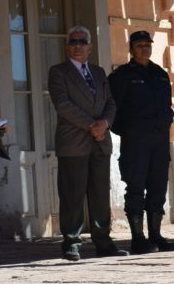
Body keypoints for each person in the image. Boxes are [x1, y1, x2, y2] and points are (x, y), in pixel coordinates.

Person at [47, 26, 127, 262]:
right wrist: (92, 126)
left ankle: (103, 242)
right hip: (74, 142)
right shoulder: (58, 72)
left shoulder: (99, 72)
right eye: (73, 42)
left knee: (100, 194)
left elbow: (111, 102)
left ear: (90, 47)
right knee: (72, 195)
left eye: (82, 42)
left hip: (100, 142)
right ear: (67, 46)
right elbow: (62, 105)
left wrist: (105, 124)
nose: (77, 45)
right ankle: (72, 242)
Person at [109, 31, 174, 254]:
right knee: (136, 188)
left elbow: (167, 105)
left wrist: (167, 121)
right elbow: (112, 109)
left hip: (158, 141)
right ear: (131, 49)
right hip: (135, 142)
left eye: (147, 45)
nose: (144, 49)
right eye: (139, 45)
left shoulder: (159, 73)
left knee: (158, 188)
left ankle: (155, 235)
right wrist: (129, 130)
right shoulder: (122, 75)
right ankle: (138, 238)